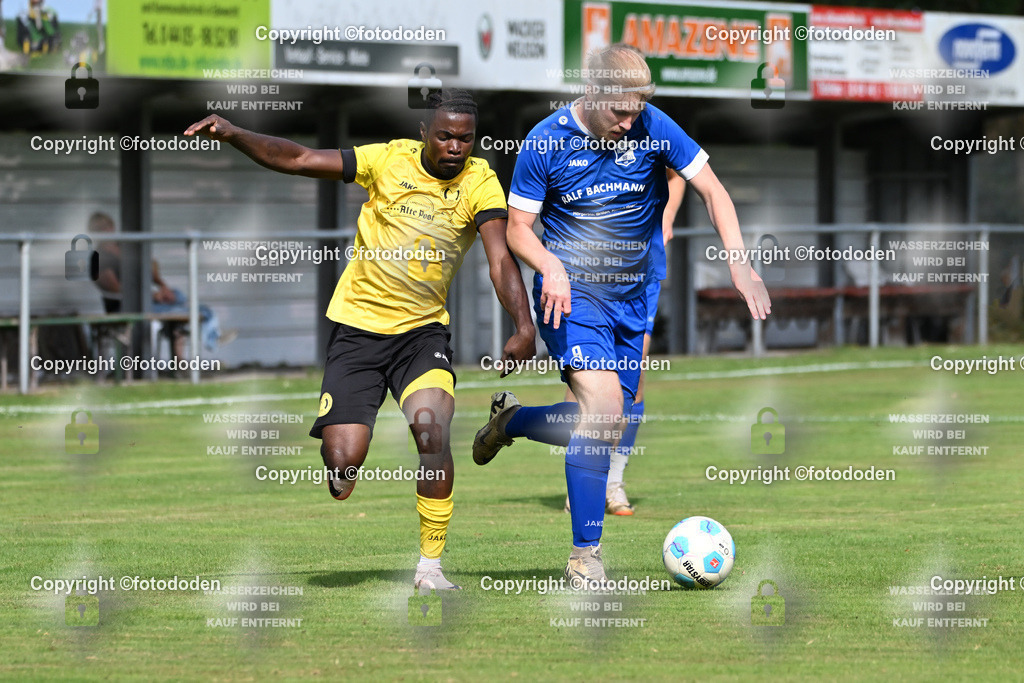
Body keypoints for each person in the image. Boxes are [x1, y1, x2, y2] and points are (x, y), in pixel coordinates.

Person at [184, 89, 535, 591]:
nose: (456, 147)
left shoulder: (480, 181)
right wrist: (235, 133)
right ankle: (341, 468)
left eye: (465, 138)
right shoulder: (386, 160)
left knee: (432, 432)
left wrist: (523, 325)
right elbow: (299, 158)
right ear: (424, 133)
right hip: (357, 332)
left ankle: (430, 567)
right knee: (344, 462)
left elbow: (500, 258)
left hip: (421, 335)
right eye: (445, 136)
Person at [472, 44, 770, 588]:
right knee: (606, 411)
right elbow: (517, 230)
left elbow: (712, 190)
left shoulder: (652, 124)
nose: (630, 122)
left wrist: (739, 263)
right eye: (620, 112)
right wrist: (550, 265)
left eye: (637, 111)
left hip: (634, 297)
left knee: (606, 421)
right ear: (591, 92)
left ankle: (511, 421)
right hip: (572, 298)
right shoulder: (545, 141)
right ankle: (584, 556)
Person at [563, 168, 684, 516]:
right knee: (583, 381)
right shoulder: (576, 144)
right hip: (586, 272)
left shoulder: (651, 139)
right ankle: (582, 479)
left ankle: (613, 480)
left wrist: (667, 216)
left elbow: (678, 173)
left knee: (635, 377)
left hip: (641, 271)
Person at [88, 212, 232, 357]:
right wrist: (153, 295)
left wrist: (163, 287)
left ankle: (208, 337)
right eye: (101, 228)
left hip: (148, 299)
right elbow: (116, 289)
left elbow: (151, 266)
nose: (107, 231)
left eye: (108, 226)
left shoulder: (125, 246)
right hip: (126, 306)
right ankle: (210, 337)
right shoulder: (98, 257)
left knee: (180, 298)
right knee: (186, 313)